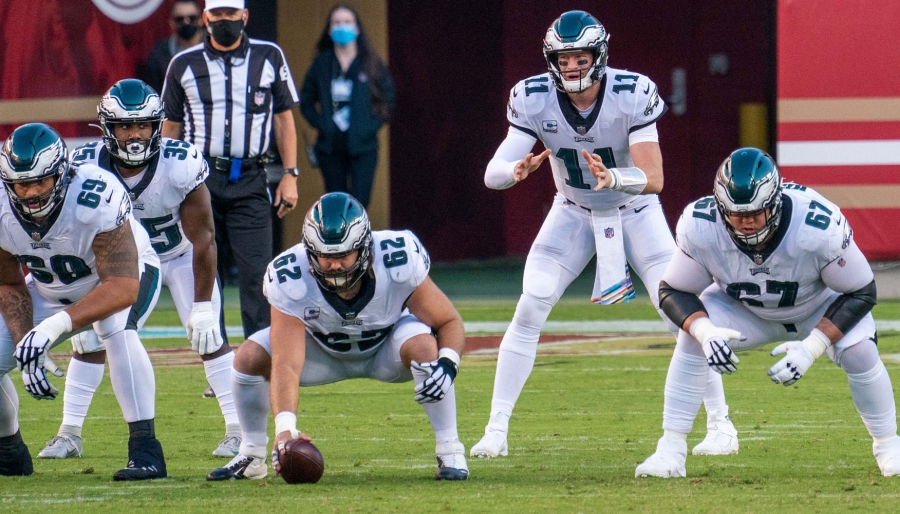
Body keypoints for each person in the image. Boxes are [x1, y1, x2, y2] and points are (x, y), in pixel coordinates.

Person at [472, 10, 736, 459]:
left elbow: (654, 178)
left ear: (599, 55)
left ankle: (721, 425)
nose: (572, 67)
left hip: (636, 211)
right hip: (572, 211)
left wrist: (613, 178)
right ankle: (496, 430)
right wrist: (515, 170)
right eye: (564, 59)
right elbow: (492, 173)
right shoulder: (533, 98)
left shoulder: (631, 93)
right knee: (531, 303)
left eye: (580, 58)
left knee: (680, 313)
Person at [635, 148, 900, 478]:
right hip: (744, 311)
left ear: (775, 202)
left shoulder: (817, 226)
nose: (746, 222)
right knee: (691, 338)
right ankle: (671, 450)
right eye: (736, 214)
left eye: (756, 212)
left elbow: (862, 291)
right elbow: (672, 290)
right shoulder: (701, 224)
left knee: (860, 352)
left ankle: (889, 445)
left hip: (815, 307)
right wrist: (705, 332)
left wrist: (813, 347)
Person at [35, 79, 241, 461]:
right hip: (123, 263)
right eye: (125, 126)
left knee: (208, 336)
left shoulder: (180, 164)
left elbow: (204, 239)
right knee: (90, 340)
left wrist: (200, 306)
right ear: (107, 129)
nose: (135, 135)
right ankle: (69, 433)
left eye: (143, 125)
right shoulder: (84, 167)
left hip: (179, 256)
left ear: (157, 126)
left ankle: (238, 431)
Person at [207, 193, 469, 481]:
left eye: (343, 255)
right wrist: (285, 428)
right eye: (326, 256)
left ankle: (450, 449)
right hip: (323, 354)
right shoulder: (290, 275)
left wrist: (448, 363)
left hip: (386, 349)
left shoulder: (398, 258)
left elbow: (448, 321)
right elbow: (286, 363)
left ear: (364, 247)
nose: (334, 265)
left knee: (424, 346)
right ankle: (252, 454)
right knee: (250, 355)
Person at [0, 123, 166, 480]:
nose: (30, 193)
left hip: (124, 274)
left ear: (61, 173)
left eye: (40, 181)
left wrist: (53, 327)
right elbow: (8, 282)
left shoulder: (95, 195)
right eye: (20, 184)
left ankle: (146, 451)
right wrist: (26, 341)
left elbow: (122, 287)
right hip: (50, 286)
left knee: (117, 328)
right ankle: (9, 452)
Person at [161, 0, 300, 339]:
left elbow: (284, 120)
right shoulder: (183, 63)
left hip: (250, 176)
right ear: (206, 17)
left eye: (231, 14)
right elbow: (170, 128)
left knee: (258, 274)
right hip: (199, 179)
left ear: (245, 16)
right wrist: (164, 181)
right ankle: (217, 359)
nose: (225, 20)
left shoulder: (269, 57)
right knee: (207, 273)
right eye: (219, 14)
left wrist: (290, 174)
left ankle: (259, 358)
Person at [300, 4, 394, 208]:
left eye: (347, 22)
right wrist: (320, 123)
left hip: (363, 146)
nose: (342, 26)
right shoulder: (322, 64)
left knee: (360, 202)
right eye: (336, 22)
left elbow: (387, 98)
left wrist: (369, 127)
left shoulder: (370, 62)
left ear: (357, 28)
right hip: (330, 147)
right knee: (336, 203)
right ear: (329, 29)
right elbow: (306, 99)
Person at [143, 0, 205, 94]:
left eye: (192, 18)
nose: (186, 22)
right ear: (171, 22)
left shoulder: (215, 47)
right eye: (179, 19)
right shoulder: (160, 54)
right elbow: (153, 92)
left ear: (201, 20)